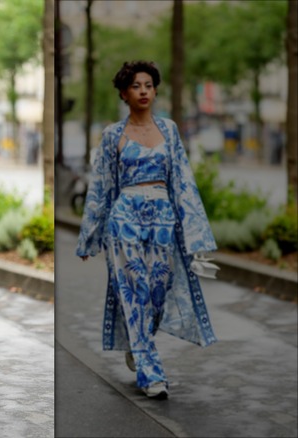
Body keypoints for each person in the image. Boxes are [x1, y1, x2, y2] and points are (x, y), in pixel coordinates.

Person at [76, 61, 217, 399]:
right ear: (124, 93)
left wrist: (196, 236)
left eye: (149, 85)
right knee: (134, 290)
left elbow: (183, 181)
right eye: (136, 86)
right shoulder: (113, 135)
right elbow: (101, 187)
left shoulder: (168, 130)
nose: (143, 91)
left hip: (163, 220)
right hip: (124, 219)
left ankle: (137, 342)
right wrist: (90, 237)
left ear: (155, 91)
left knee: (156, 291)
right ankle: (150, 370)